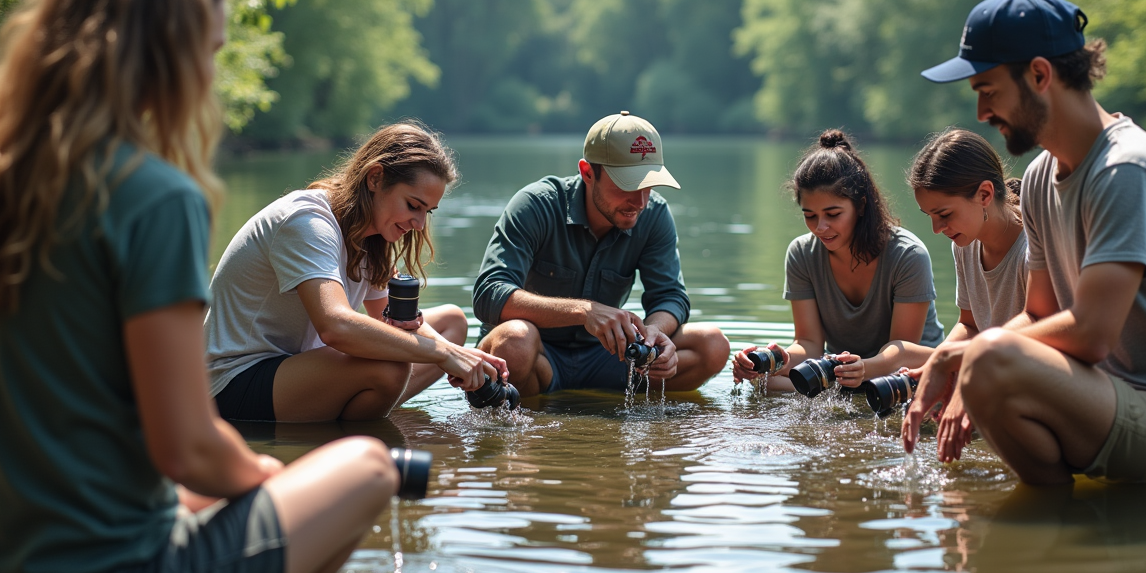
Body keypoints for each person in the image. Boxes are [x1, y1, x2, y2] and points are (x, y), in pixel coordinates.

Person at [0, 0, 402, 573]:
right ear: (158, 52)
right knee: (370, 466)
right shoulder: (152, 196)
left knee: (209, 494)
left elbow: (93, 416)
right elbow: (186, 444)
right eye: (207, 51)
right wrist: (263, 479)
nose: (211, 75)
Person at [903, 0, 1146, 484]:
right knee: (987, 361)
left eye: (988, 90)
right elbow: (1038, 315)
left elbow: (1091, 334)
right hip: (1114, 400)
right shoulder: (1037, 180)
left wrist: (965, 355)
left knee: (988, 360)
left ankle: (1057, 527)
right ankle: (1056, 534)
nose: (982, 113)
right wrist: (952, 362)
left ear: (1039, 75)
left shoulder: (1128, 170)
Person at [205, 121, 504, 422]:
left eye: (427, 212)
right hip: (232, 384)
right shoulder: (307, 223)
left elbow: (397, 321)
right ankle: (353, 444)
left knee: (451, 323)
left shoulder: (371, 237)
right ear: (375, 177)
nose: (420, 224)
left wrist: (463, 355)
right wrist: (444, 354)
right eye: (413, 205)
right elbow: (335, 327)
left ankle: (367, 414)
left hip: (293, 370)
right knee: (390, 367)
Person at [473, 111, 730, 396]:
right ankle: (533, 426)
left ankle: (602, 410)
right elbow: (489, 294)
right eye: (628, 184)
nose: (640, 201)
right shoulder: (535, 205)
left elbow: (671, 296)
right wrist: (585, 312)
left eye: (649, 185)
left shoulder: (654, 214)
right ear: (587, 173)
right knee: (516, 341)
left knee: (712, 345)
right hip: (537, 357)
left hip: (608, 360)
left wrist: (654, 333)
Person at [731, 130, 944, 394]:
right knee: (765, 382)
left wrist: (863, 368)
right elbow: (809, 343)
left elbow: (900, 350)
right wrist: (774, 361)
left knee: (889, 390)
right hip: (844, 374)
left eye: (832, 214)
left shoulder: (908, 256)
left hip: (902, 373)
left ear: (861, 206)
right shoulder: (801, 253)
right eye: (810, 216)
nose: (820, 228)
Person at [905, 128, 1029, 461]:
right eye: (929, 216)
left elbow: (1038, 339)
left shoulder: (1033, 251)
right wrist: (938, 365)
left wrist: (964, 381)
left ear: (985, 194)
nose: (936, 229)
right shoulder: (965, 242)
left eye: (944, 214)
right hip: (988, 370)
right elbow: (970, 325)